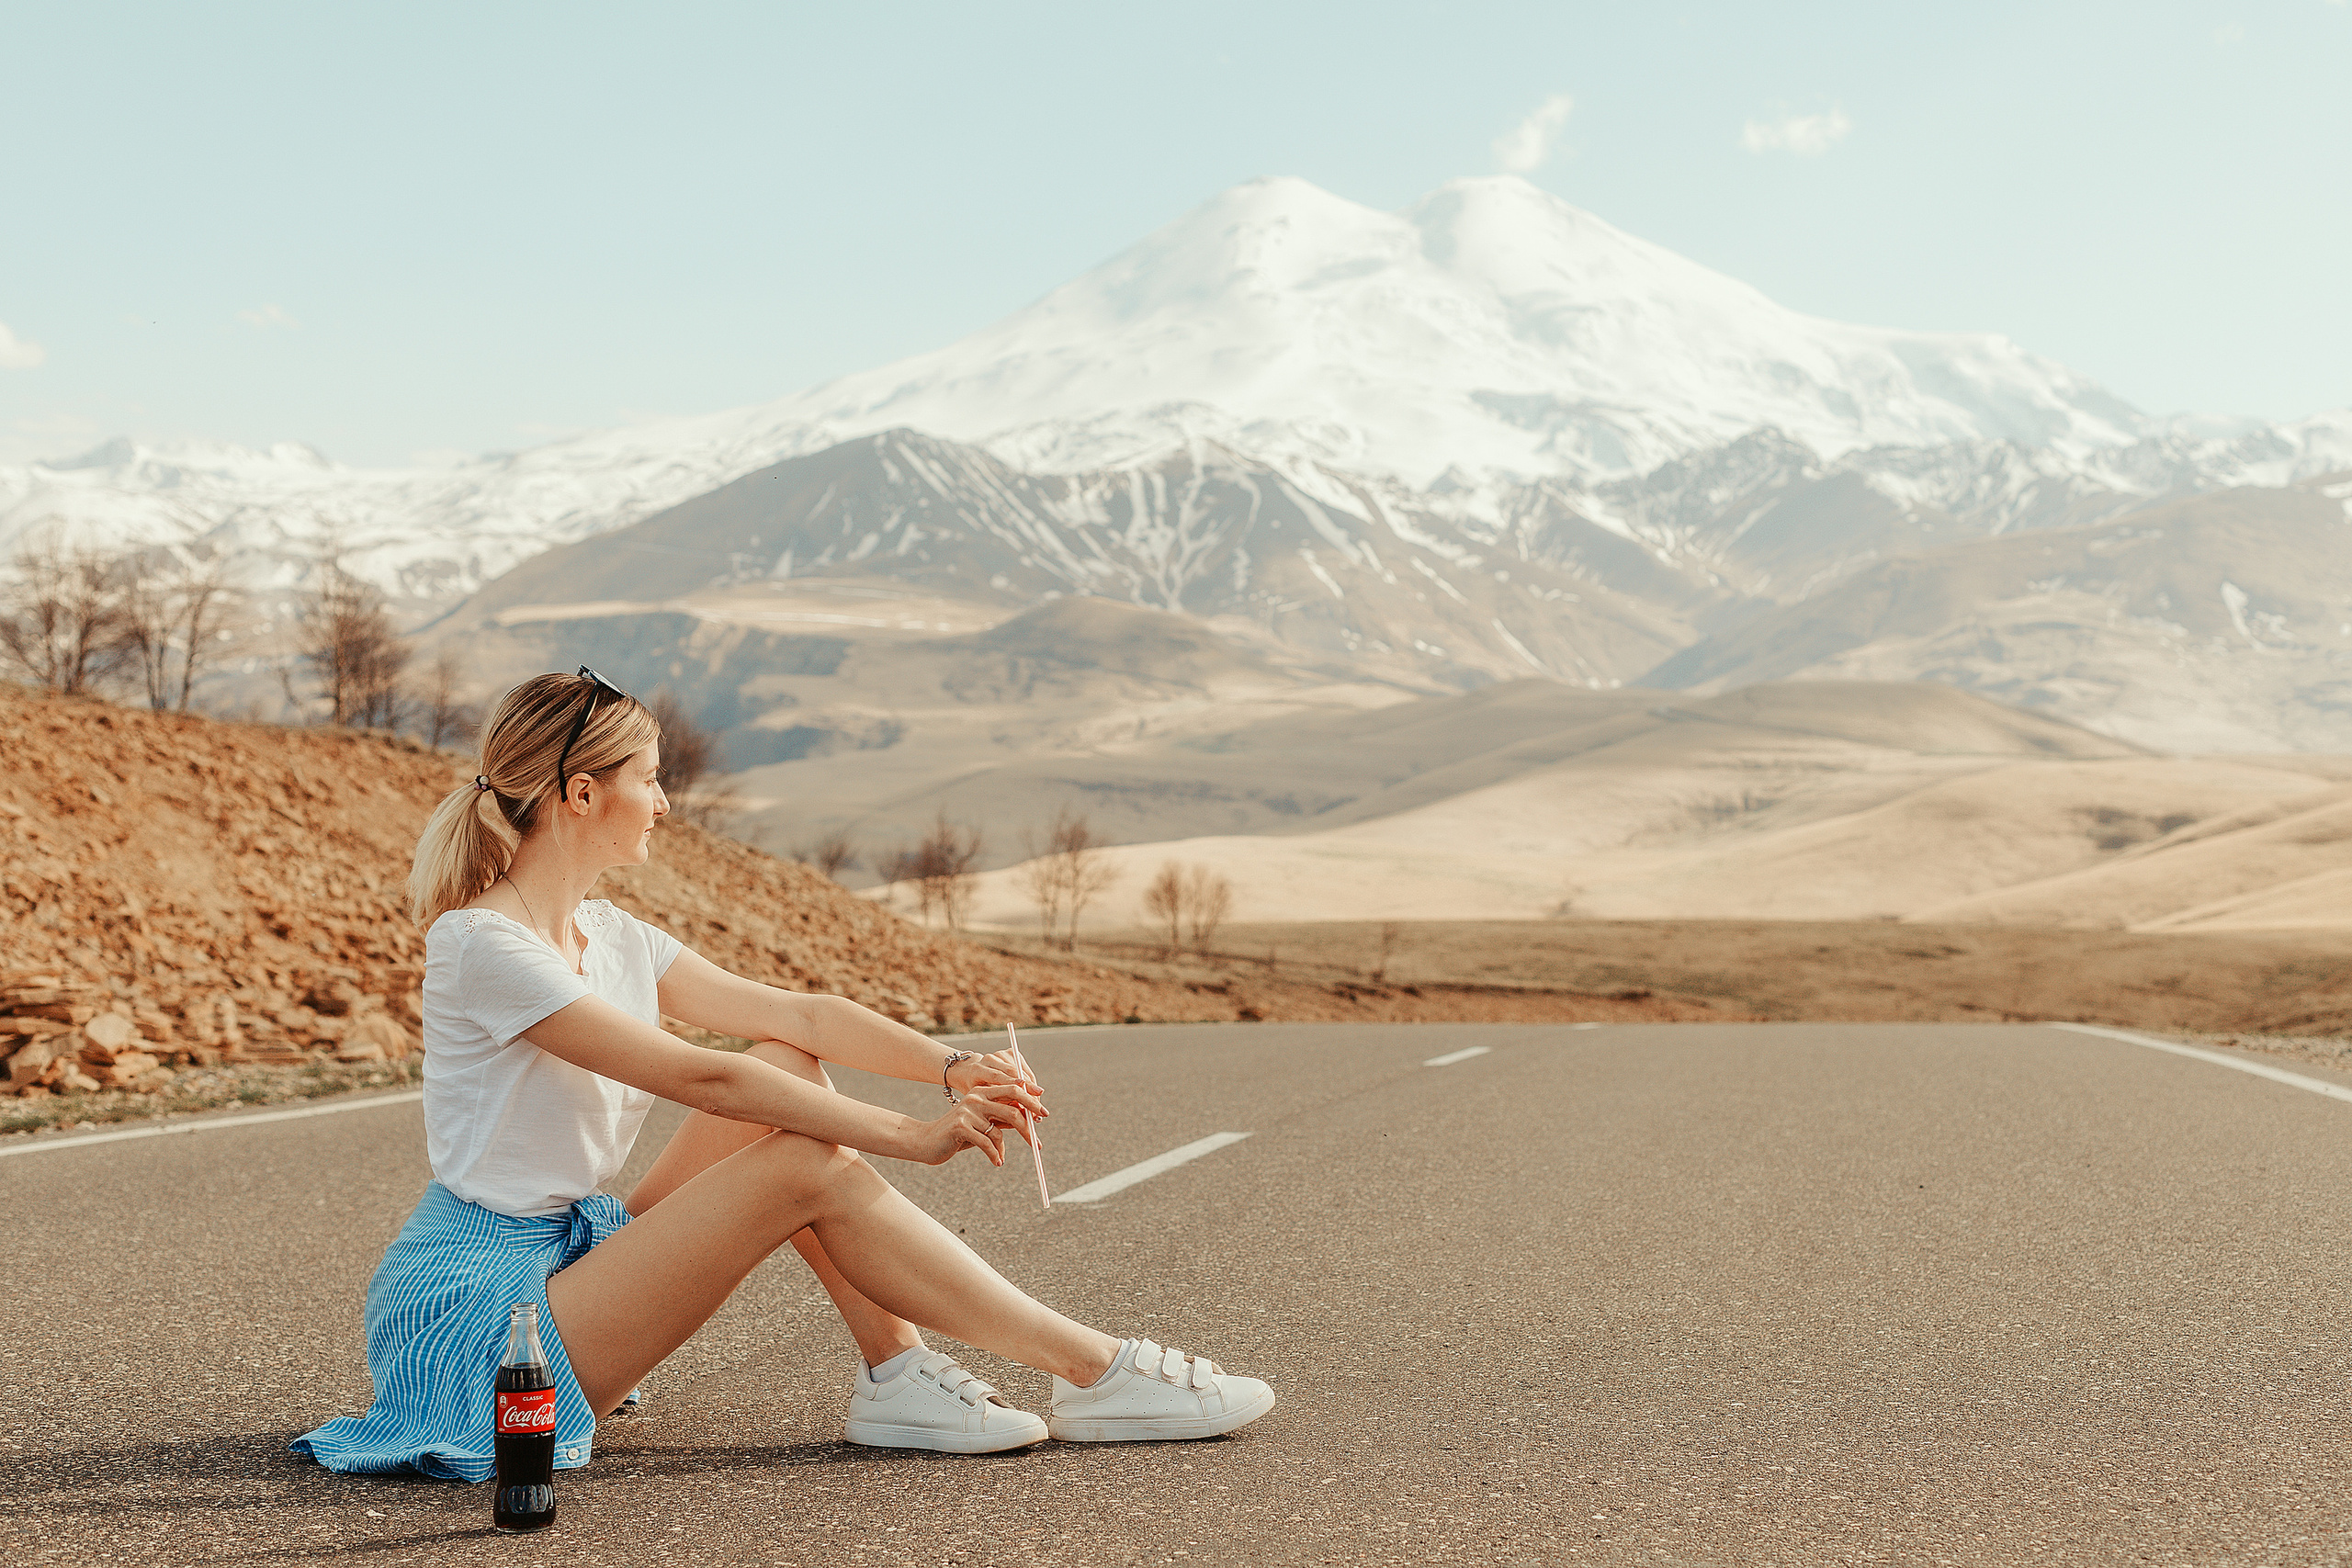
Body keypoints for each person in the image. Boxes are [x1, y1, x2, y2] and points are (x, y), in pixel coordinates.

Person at [293, 668, 1272, 1480]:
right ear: (580, 794)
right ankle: (1095, 1371)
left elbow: (798, 1019)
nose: (667, 802)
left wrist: (953, 1067)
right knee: (801, 1163)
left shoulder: (611, 934)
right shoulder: (483, 945)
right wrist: (913, 1140)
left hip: (558, 1259)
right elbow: (701, 1081)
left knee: (789, 1062)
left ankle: (898, 1376)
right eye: (650, 778)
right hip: (480, 1315)